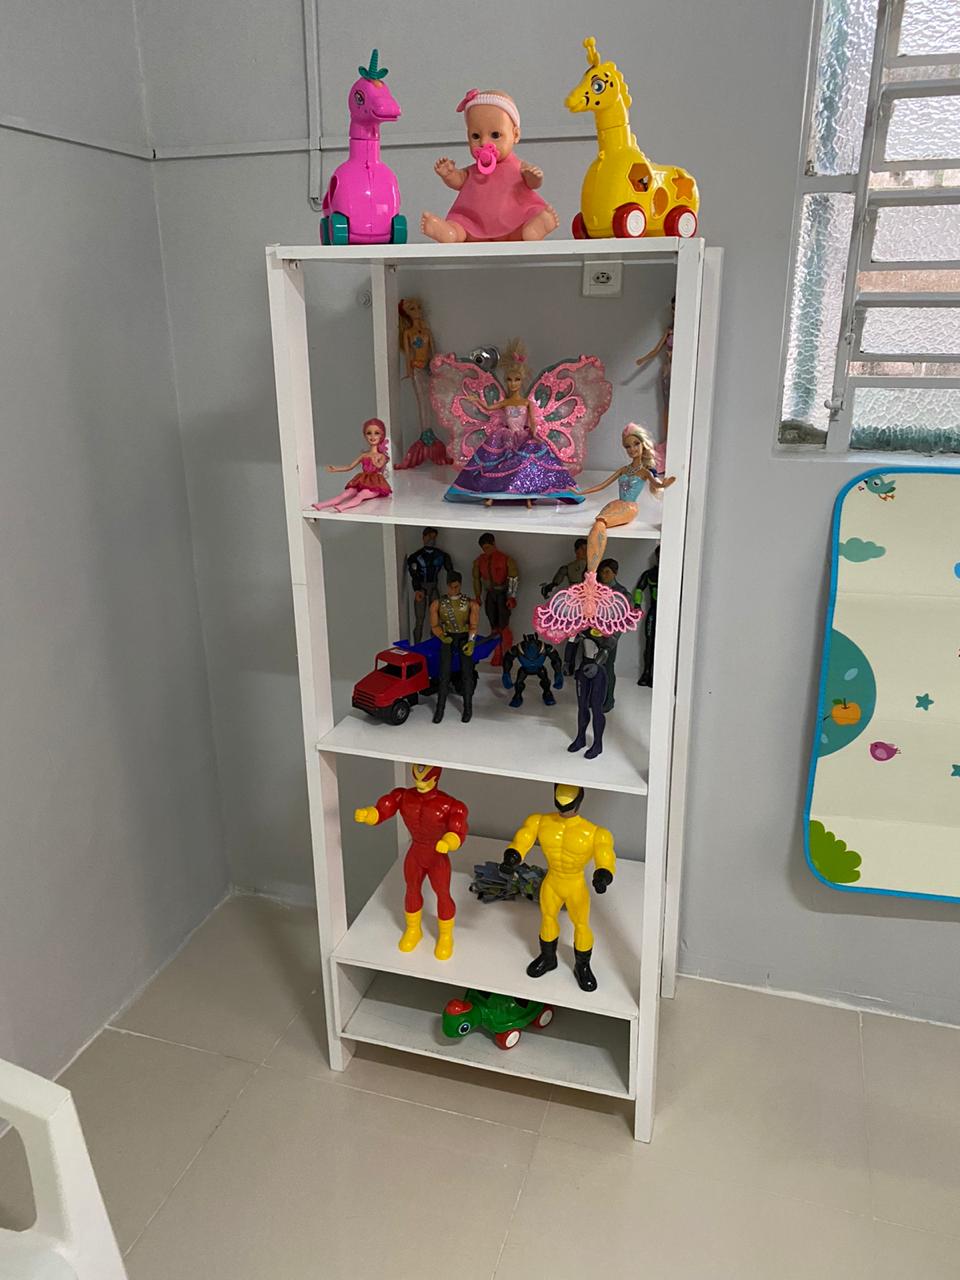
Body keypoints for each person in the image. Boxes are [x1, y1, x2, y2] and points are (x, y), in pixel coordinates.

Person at [500, 784, 616, 992]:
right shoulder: (540, 821)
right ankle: (548, 957)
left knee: (581, 925)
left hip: (575, 883)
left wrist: (603, 875)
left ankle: (582, 966)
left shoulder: (595, 832)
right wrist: (512, 857)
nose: (565, 809)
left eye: (569, 805)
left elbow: (605, 855)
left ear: (579, 801)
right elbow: (523, 839)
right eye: (561, 804)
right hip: (552, 880)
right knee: (547, 918)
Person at [430, 573, 479, 724]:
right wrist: (441, 636)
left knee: (467, 674)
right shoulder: (437, 603)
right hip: (448, 637)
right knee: (444, 674)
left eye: (456, 586)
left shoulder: (471, 604)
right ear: (447, 585)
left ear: (460, 585)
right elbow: (434, 625)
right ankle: (440, 710)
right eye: (451, 587)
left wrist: (471, 641)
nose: (454, 589)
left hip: (464, 637)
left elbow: (473, 626)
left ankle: (468, 709)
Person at [472, 532, 519, 665]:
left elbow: (513, 578)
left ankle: (507, 655)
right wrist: (477, 596)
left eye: (488, 547)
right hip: (490, 594)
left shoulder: (505, 559)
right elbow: (476, 579)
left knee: (504, 626)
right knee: (493, 627)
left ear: (494, 544)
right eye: (484, 548)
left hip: (503, 594)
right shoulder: (479, 561)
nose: (486, 550)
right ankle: (497, 653)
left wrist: (511, 597)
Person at [405, 528, 453, 644]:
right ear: (423, 537)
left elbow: (451, 573)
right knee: (419, 619)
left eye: (434, 537)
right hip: (421, 589)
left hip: (434, 588)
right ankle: (416, 646)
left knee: (436, 620)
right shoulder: (415, 557)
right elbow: (414, 574)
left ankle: (434, 644)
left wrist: (452, 589)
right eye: (429, 537)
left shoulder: (442, 555)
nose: (431, 540)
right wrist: (417, 589)